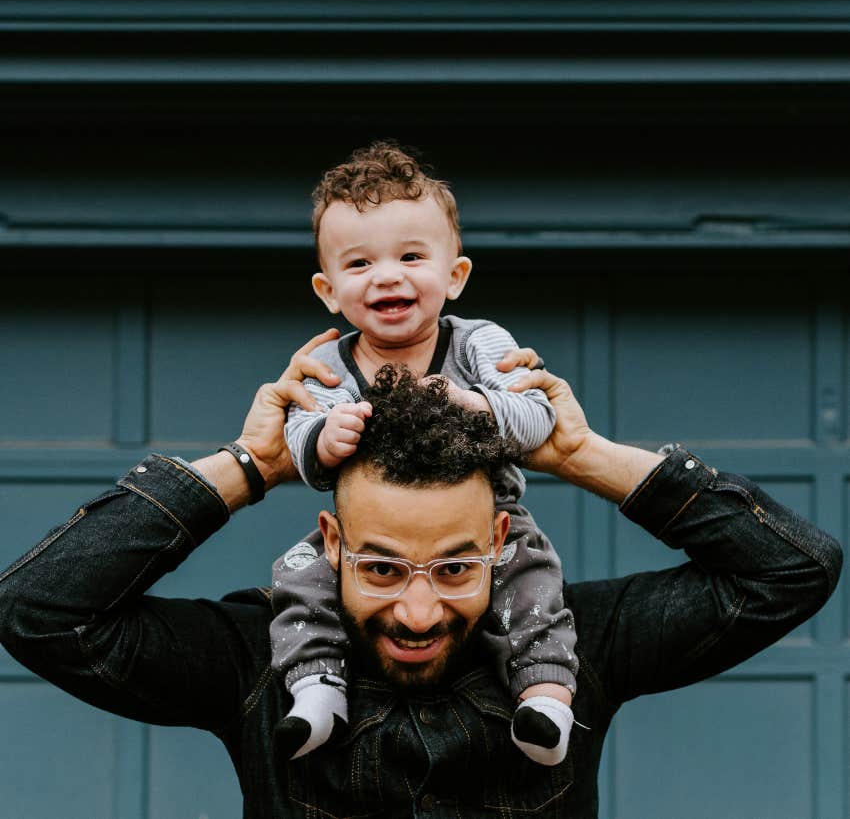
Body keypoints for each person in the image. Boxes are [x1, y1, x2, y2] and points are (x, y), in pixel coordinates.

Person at [0, 331, 841, 819]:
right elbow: (38, 609)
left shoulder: (578, 647)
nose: (416, 609)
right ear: (330, 542)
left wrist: (580, 455)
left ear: (501, 539)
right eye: (380, 566)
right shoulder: (252, 660)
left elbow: (790, 568)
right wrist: (249, 464)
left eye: (454, 567)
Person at [270, 141, 576, 765]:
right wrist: (322, 439)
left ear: (455, 275)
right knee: (299, 574)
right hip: (368, 533)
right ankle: (316, 687)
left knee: (534, 578)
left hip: (491, 519)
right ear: (329, 291)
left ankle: (544, 698)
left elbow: (536, 416)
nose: (387, 276)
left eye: (411, 256)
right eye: (359, 265)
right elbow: (299, 440)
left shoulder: (479, 343)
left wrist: (475, 404)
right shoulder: (327, 362)